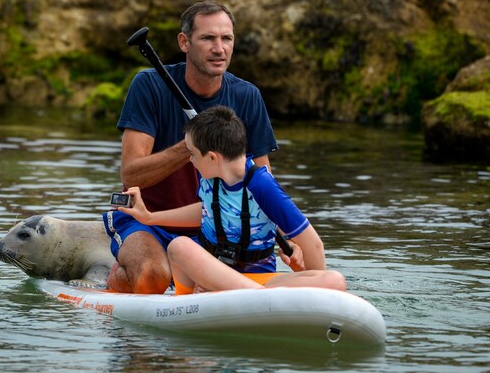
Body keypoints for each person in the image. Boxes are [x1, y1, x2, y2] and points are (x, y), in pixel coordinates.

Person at [104, 0, 295, 293]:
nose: (219, 48)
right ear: (185, 42)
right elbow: (132, 175)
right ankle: (120, 274)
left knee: (225, 288)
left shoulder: (247, 96)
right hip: (148, 221)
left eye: (226, 38)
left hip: (216, 227)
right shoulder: (149, 86)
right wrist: (193, 144)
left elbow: (261, 180)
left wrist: (287, 234)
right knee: (150, 276)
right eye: (208, 38)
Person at [118, 105, 346, 294]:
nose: (190, 161)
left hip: (260, 281)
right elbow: (205, 210)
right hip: (215, 276)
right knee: (179, 246)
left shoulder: (262, 185)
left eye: (192, 154)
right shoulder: (209, 178)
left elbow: (313, 243)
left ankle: (252, 298)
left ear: (212, 157)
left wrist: (320, 297)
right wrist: (149, 218)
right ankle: (252, 298)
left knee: (334, 281)